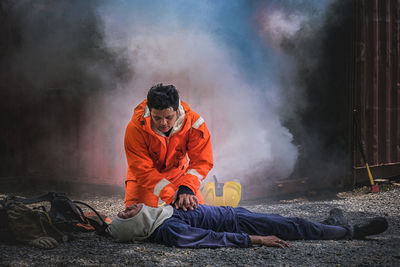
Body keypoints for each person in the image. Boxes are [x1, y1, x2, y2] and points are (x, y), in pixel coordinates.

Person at [106, 203, 388, 248]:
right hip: (239, 223)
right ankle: (350, 232)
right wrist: (258, 240)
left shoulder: (158, 217)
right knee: (295, 227)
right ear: (135, 226)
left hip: (235, 214)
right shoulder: (168, 230)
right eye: (127, 214)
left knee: (292, 224)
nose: (128, 207)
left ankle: (328, 224)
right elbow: (210, 239)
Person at [124, 83, 213, 211]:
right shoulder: (136, 128)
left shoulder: (194, 124)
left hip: (178, 174)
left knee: (199, 215)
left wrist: (187, 187)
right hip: (143, 178)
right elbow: (141, 169)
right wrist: (172, 195)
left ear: (177, 110)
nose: (163, 123)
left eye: (168, 117)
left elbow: (202, 161)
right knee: (138, 221)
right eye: (157, 118)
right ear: (150, 112)